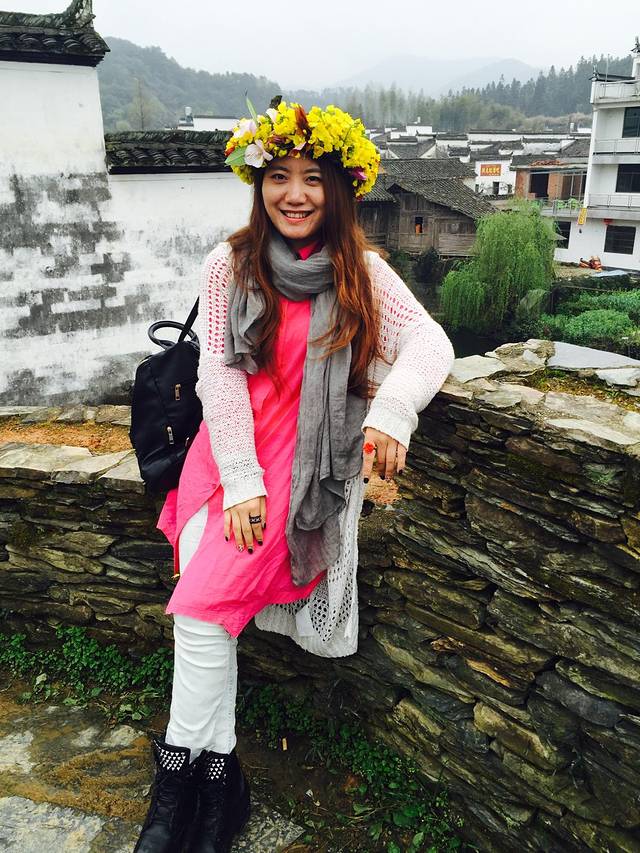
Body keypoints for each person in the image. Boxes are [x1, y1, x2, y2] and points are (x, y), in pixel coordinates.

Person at [133, 100, 455, 853]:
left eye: (313, 177)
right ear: (259, 183)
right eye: (278, 175)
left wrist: (394, 409)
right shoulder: (231, 263)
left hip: (302, 476)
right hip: (230, 465)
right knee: (206, 617)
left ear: (339, 188)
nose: (296, 193)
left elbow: (430, 344)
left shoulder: (361, 272)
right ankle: (214, 790)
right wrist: (241, 478)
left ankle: (179, 797)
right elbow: (218, 374)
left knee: (203, 614)